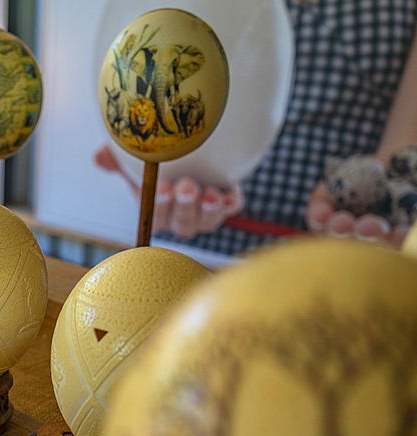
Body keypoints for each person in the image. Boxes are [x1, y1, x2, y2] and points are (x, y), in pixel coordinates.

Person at [97, 0, 417, 253]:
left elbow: (400, 155)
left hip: (330, 263)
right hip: (194, 246)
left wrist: (388, 188)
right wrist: (144, 164)